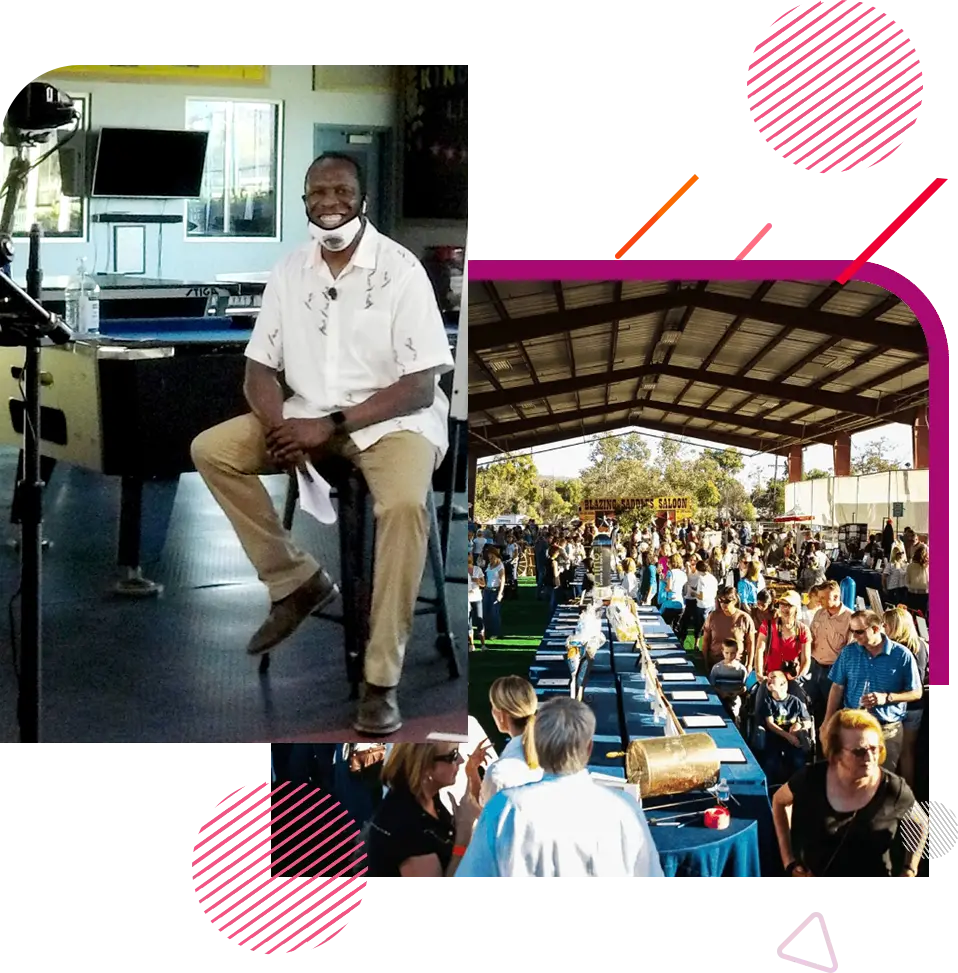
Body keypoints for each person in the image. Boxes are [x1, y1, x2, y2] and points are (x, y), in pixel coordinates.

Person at [190, 153, 454, 736]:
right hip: (307, 417)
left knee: (405, 506)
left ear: (362, 200)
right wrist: (277, 423)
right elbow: (258, 368)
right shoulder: (291, 270)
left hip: (392, 424)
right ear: (304, 200)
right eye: (318, 192)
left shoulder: (400, 269)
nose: (330, 200)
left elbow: (420, 385)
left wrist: (329, 425)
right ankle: (296, 581)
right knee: (213, 449)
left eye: (342, 189)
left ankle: (381, 682)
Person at [456, 697, 665, 880]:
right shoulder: (624, 808)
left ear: (535, 746)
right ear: (589, 748)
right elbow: (650, 874)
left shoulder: (504, 807)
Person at [771, 709, 925, 879]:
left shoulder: (893, 788)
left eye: (874, 749)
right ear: (835, 754)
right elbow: (779, 800)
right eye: (858, 751)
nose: (869, 758)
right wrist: (788, 860)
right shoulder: (811, 778)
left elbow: (923, 822)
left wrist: (911, 869)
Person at [823, 610, 922, 774]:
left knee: (882, 779)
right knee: (851, 775)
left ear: (876, 629)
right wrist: (827, 720)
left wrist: (887, 698)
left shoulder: (902, 655)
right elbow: (837, 686)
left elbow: (916, 692)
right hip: (852, 726)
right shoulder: (849, 652)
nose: (854, 636)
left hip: (887, 730)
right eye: (852, 631)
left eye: (859, 631)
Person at [364, 743, 480, 879]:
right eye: (452, 755)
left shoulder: (425, 797)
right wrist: (463, 836)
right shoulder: (406, 825)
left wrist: (473, 776)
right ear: (424, 765)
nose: (461, 760)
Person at [471, 676, 543, 805]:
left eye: (493, 707)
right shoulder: (558, 755)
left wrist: (471, 771)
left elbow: (483, 812)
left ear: (501, 715)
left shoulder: (499, 774)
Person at [880, 607, 929, 788]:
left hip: (895, 705)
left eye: (886, 624)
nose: (883, 627)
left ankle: (891, 795)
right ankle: (908, 792)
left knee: (891, 753)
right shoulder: (922, 645)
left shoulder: (894, 649)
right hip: (916, 707)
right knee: (908, 752)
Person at [807, 580, 854, 735]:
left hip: (834, 673)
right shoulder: (820, 613)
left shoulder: (850, 619)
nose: (819, 601)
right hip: (815, 668)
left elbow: (850, 652)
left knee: (833, 713)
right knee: (813, 708)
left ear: (835, 597)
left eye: (822, 597)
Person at [759, 669, 813, 785]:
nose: (769, 679)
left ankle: (799, 787)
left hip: (794, 738)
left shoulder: (795, 702)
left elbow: (808, 721)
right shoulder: (768, 701)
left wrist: (799, 725)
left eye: (773, 677)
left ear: (783, 684)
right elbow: (770, 724)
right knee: (770, 763)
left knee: (799, 761)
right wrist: (788, 736)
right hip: (775, 737)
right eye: (768, 677)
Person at [700, 586, 756, 672]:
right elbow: (705, 641)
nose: (723, 604)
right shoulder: (713, 616)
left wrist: (749, 664)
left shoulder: (744, 618)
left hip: (737, 665)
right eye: (721, 601)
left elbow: (750, 644)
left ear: (735, 600)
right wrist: (705, 662)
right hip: (715, 663)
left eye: (726, 601)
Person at [710, 638, 750, 723]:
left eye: (732, 653)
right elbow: (712, 686)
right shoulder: (717, 668)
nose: (729, 656)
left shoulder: (741, 670)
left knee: (732, 719)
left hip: (734, 701)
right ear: (722, 651)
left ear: (737, 652)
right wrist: (722, 693)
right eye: (727, 653)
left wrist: (736, 692)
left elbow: (744, 687)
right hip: (719, 700)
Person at [482, 547, 506, 639]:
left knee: (494, 612)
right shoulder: (489, 565)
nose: (490, 558)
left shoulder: (500, 566)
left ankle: (495, 632)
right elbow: (487, 578)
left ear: (495, 555)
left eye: (491, 556)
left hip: (495, 591)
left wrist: (500, 593)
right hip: (487, 590)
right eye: (489, 556)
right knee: (485, 612)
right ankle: (486, 631)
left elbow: (502, 580)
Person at [467, 552, 485, 651]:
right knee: (468, 621)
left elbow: (483, 584)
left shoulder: (478, 569)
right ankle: (471, 644)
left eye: (470, 556)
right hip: (466, 598)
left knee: (479, 619)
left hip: (476, 597)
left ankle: (483, 644)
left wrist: (477, 581)